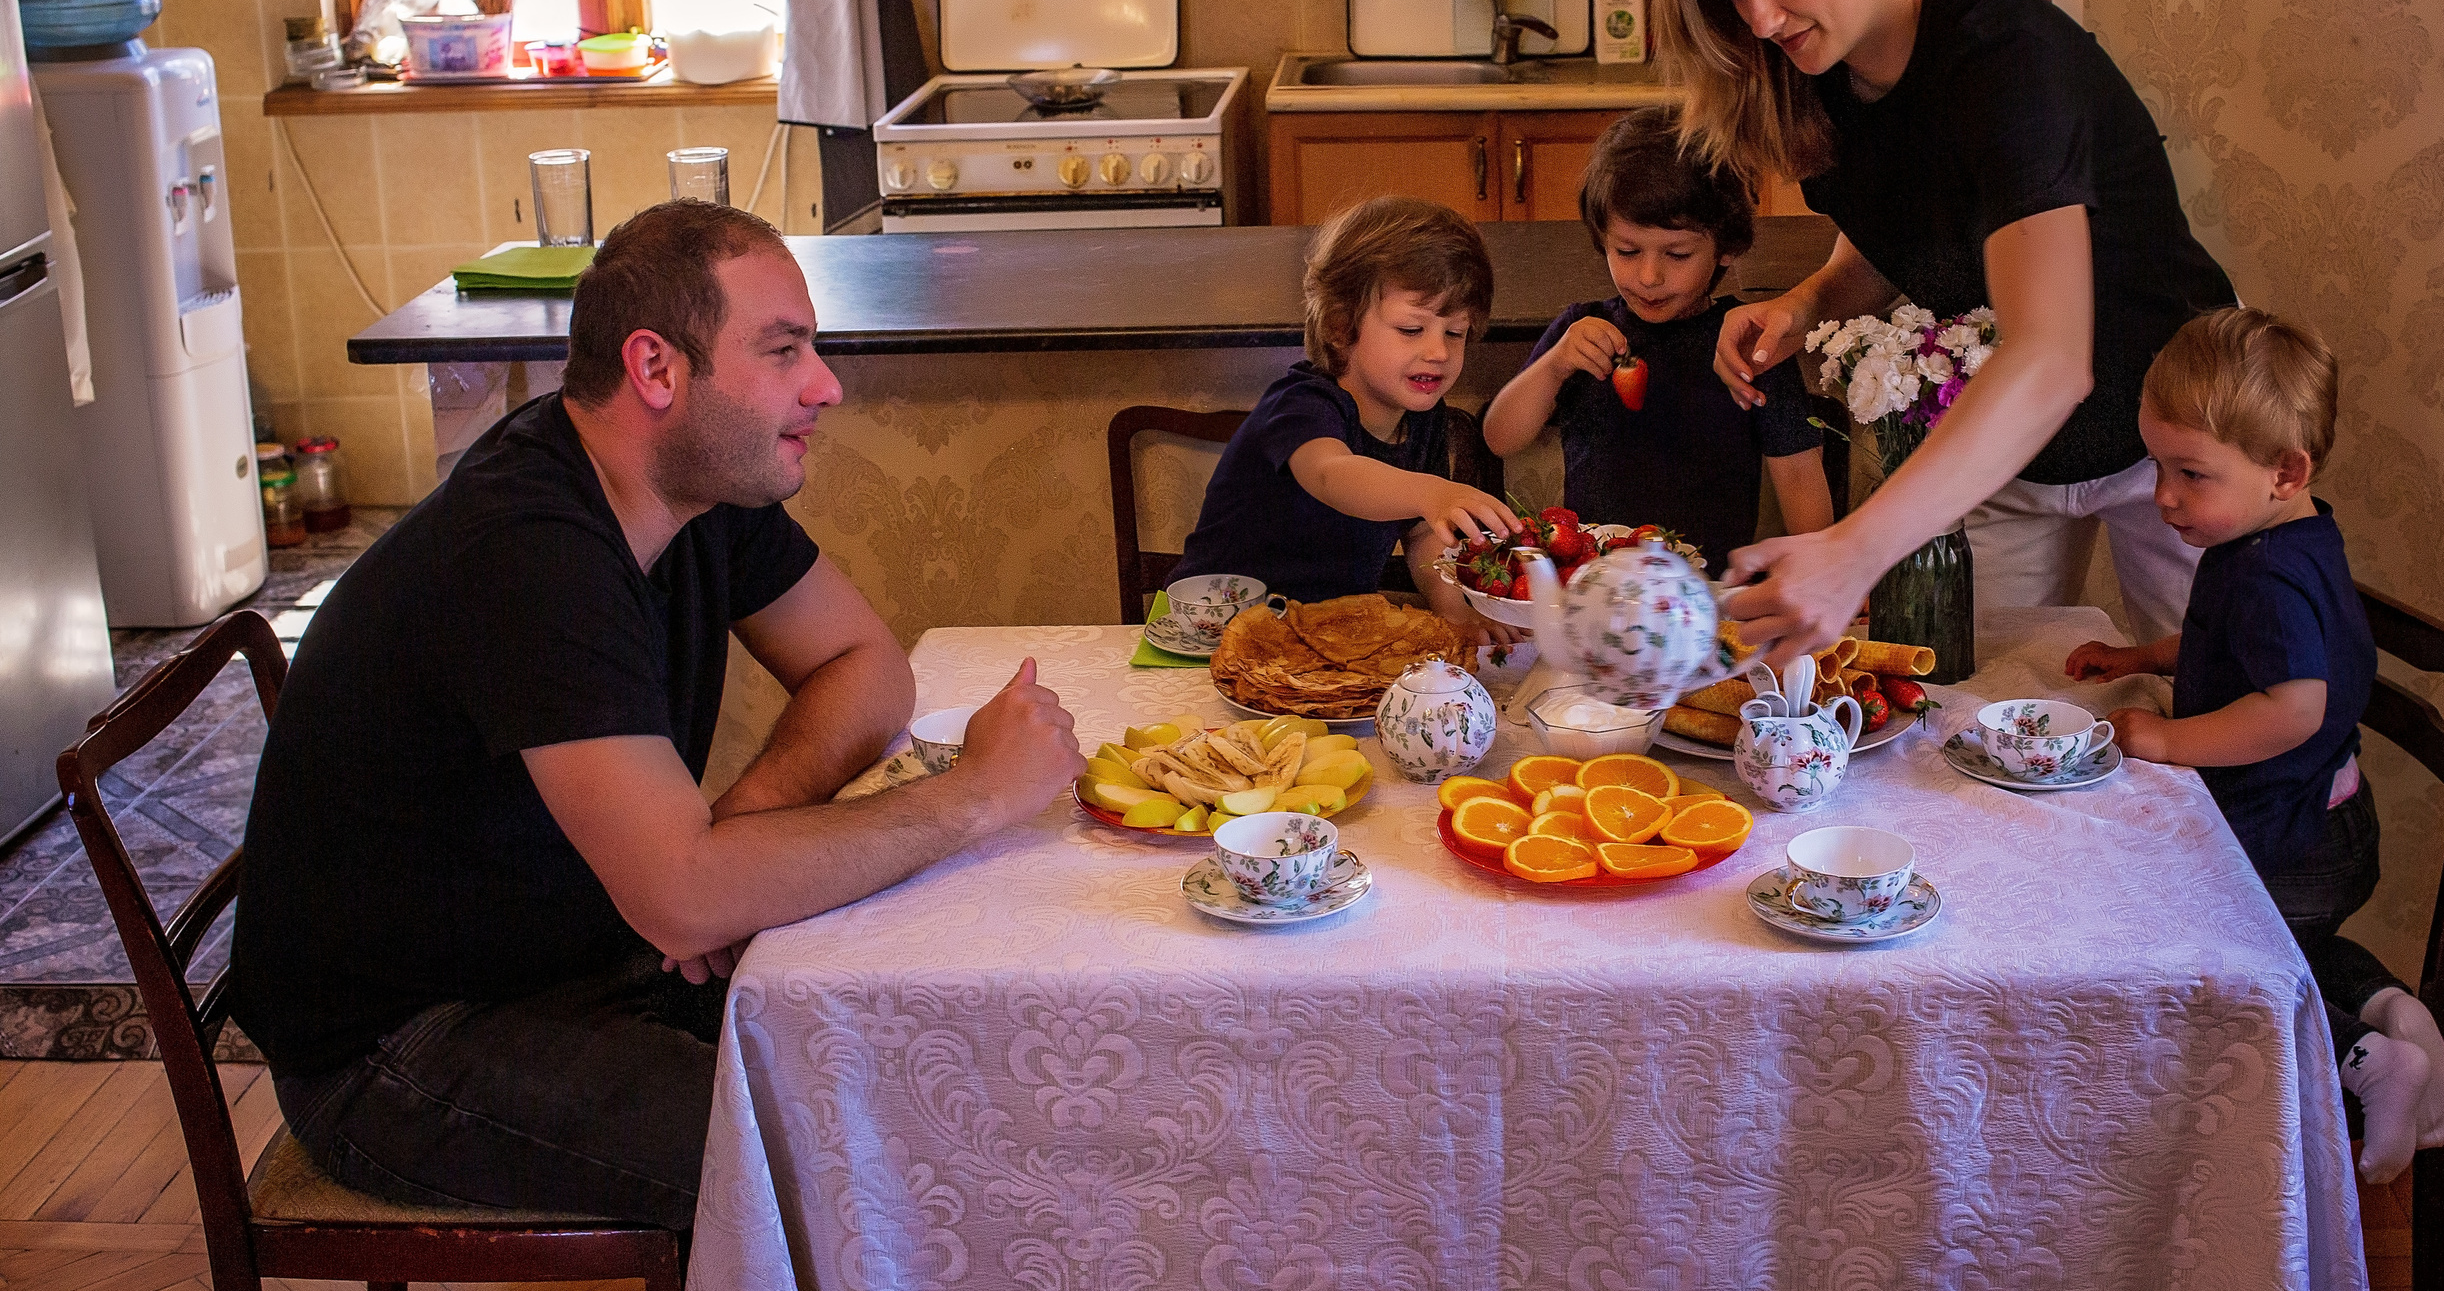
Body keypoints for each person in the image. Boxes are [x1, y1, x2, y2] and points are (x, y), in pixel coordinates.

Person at [229, 201, 1083, 1228]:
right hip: (406, 1044)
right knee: (862, 1168)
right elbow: (682, 901)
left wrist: (748, 820)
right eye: (783, 351)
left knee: (932, 1048)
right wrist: (976, 797)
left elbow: (864, 664)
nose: (826, 385)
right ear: (657, 369)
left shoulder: (696, 490)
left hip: (579, 951)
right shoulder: (532, 554)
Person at [1651, 0, 2236, 663]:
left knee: (2221, 710)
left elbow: (2049, 358)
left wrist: (1853, 549)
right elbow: (1908, 227)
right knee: (1954, 706)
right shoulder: (1818, 76)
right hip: (2012, 449)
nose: (1762, 21)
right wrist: (1809, 301)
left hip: (2178, 434)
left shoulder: (2007, 58)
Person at [2063, 309, 2444, 1184]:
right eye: (2159, 466)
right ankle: (2394, 1007)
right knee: (2292, 938)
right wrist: (2143, 657)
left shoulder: (2273, 573)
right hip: (2325, 818)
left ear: (2287, 471)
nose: (2163, 495)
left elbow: (2293, 706)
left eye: (2189, 473)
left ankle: (2366, 1059)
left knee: (2223, 950)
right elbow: (2224, 646)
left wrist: (2169, 738)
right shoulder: (2275, 538)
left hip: (2294, 833)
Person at [1482, 106, 1833, 572]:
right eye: (1627, 251)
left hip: (1705, 595)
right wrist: (1556, 364)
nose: (1649, 276)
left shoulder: (1750, 343)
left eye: (1678, 253)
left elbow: (1801, 479)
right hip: (1592, 587)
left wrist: (1825, 569)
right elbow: (1500, 438)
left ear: (1726, 248)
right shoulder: (1581, 332)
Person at [1167, 196, 1521, 636]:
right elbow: (1331, 474)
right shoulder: (1301, 403)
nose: (1439, 352)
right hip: (1211, 631)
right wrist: (1429, 490)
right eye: (1411, 329)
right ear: (1339, 326)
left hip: (1319, 630)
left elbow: (1420, 536)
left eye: (1456, 333)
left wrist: (1454, 610)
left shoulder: (1424, 418)